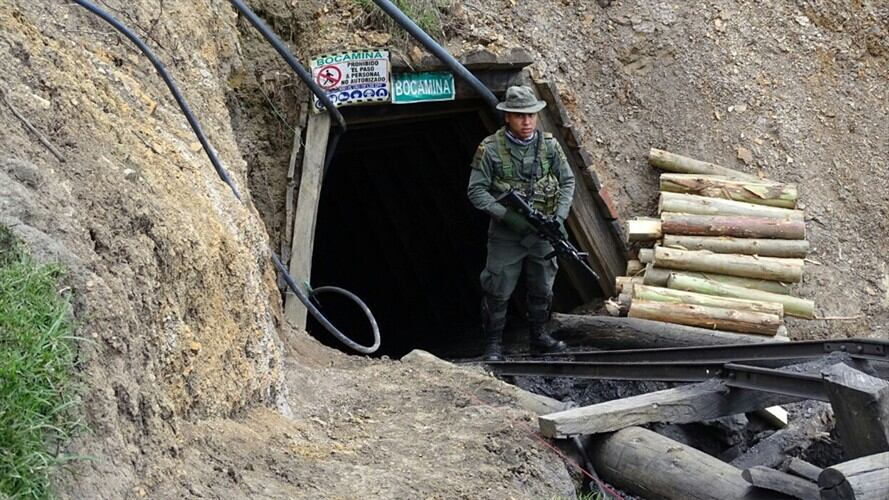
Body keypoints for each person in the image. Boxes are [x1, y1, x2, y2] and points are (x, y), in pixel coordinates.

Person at [467, 85, 576, 361]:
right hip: (507, 234)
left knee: (542, 286)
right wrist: (508, 217)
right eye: (519, 116)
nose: (527, 122)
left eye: (531, 116)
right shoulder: (490, 150)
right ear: (507, 117)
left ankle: (539, 336)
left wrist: (559, 217)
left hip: (543, 232)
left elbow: (567, 181)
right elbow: (476, 191)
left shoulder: (549, 146)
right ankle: (493, 344)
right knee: (498, 288)